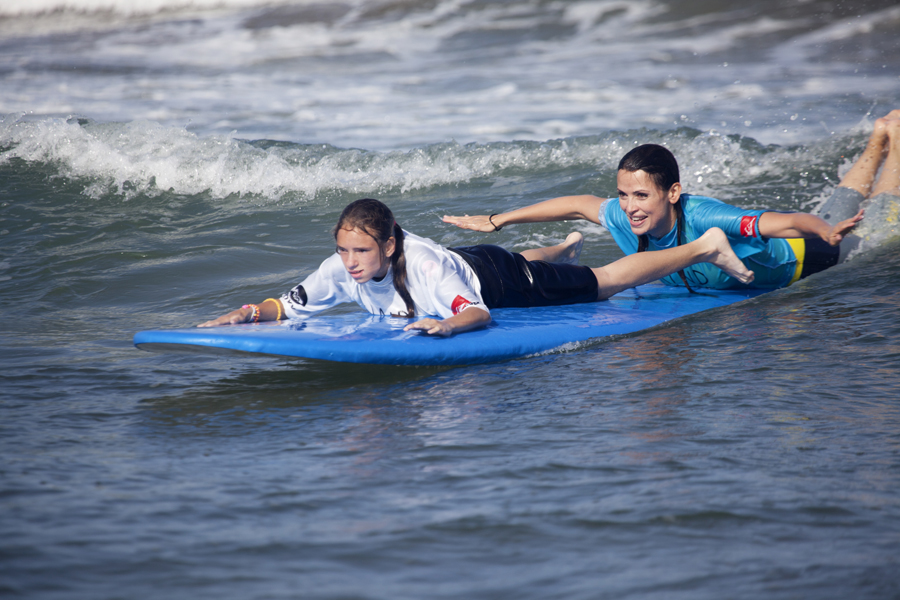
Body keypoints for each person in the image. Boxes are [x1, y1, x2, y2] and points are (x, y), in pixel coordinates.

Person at [443, 110, 900, 290]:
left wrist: (821, 231)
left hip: (814, 255)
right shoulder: (625, 218)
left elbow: (773, 223)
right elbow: (579, 203)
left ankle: (894, 141)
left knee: (871, 219)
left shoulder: (704, 215)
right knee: (843, 201)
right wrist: (497, 219)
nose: (630, 206)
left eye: (641, 195)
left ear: (672, 193)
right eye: (623, 194)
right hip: (807, 240)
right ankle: (879, 135)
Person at [198, 198, 753, 336]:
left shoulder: (428, 271)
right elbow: (288, 303)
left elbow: (478, 312)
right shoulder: (341, 265)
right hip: (472, 264)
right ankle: (562, 246)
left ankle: (702, 246)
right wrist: (249, 313)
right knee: (510, 260)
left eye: (361, 253)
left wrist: (446, 325)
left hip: (499, 280)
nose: (350, 263)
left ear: (390, 246)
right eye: (344, 251)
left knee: (603, 284)